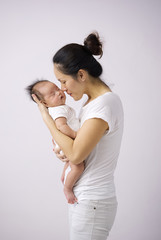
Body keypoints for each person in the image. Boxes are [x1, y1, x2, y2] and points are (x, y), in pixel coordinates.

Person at [32, 32, 124, 240]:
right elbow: (76, 149)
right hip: (89, 200)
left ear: (81, 75)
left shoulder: (103, 105)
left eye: (62, 81)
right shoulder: (93, 103)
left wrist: (46, 117)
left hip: (92, 201)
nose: (62, 88)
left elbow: (76, 156)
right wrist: (62, 148)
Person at [26, 80, 84, 204]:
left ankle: (64, 174)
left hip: (65, 142)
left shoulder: (60, 108)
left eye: (57, 89)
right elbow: (61, 126)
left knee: (72, 162)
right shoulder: (58, 110)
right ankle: (67, 188)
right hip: (67, 140)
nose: (59, 93)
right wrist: (76, 135)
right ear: (44, 102)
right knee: (78, 167)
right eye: (52, 94)